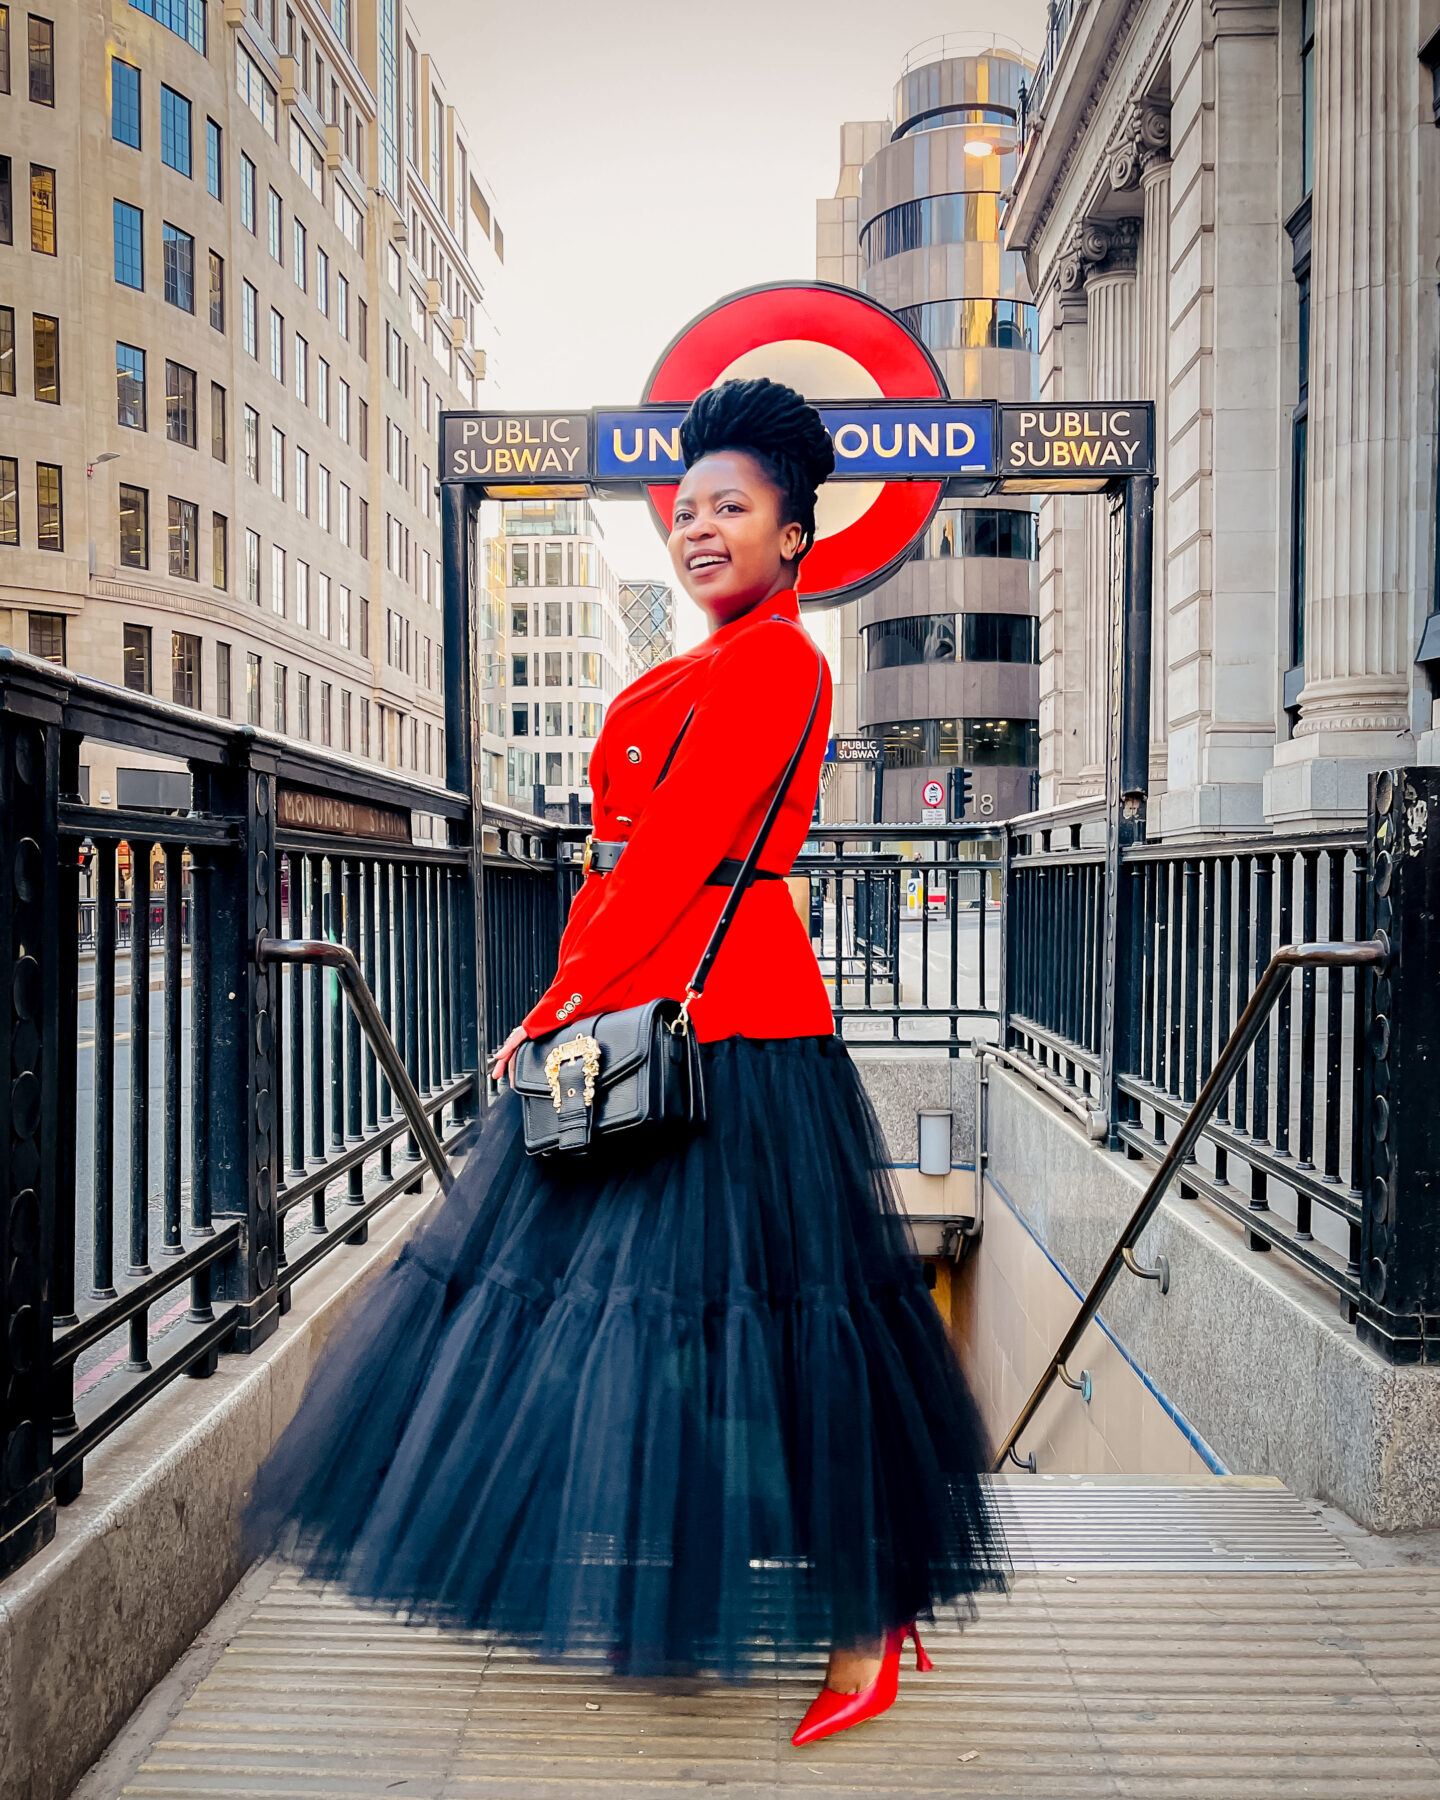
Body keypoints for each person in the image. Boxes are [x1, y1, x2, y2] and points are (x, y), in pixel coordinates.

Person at [247, 377, 1006, 1746]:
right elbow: (627, 868)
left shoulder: (776, 661)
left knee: (766, 1334)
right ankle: (754, 1600)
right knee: (671, 1332)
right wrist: (567, 992)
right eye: (689, 507)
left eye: (734, 506)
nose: (701, 528)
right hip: (674, 1015)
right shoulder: (716, 659)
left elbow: (671, 860)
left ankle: (867, 1628)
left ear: (793, 532)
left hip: (730, 1031)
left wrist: (556, 1008)